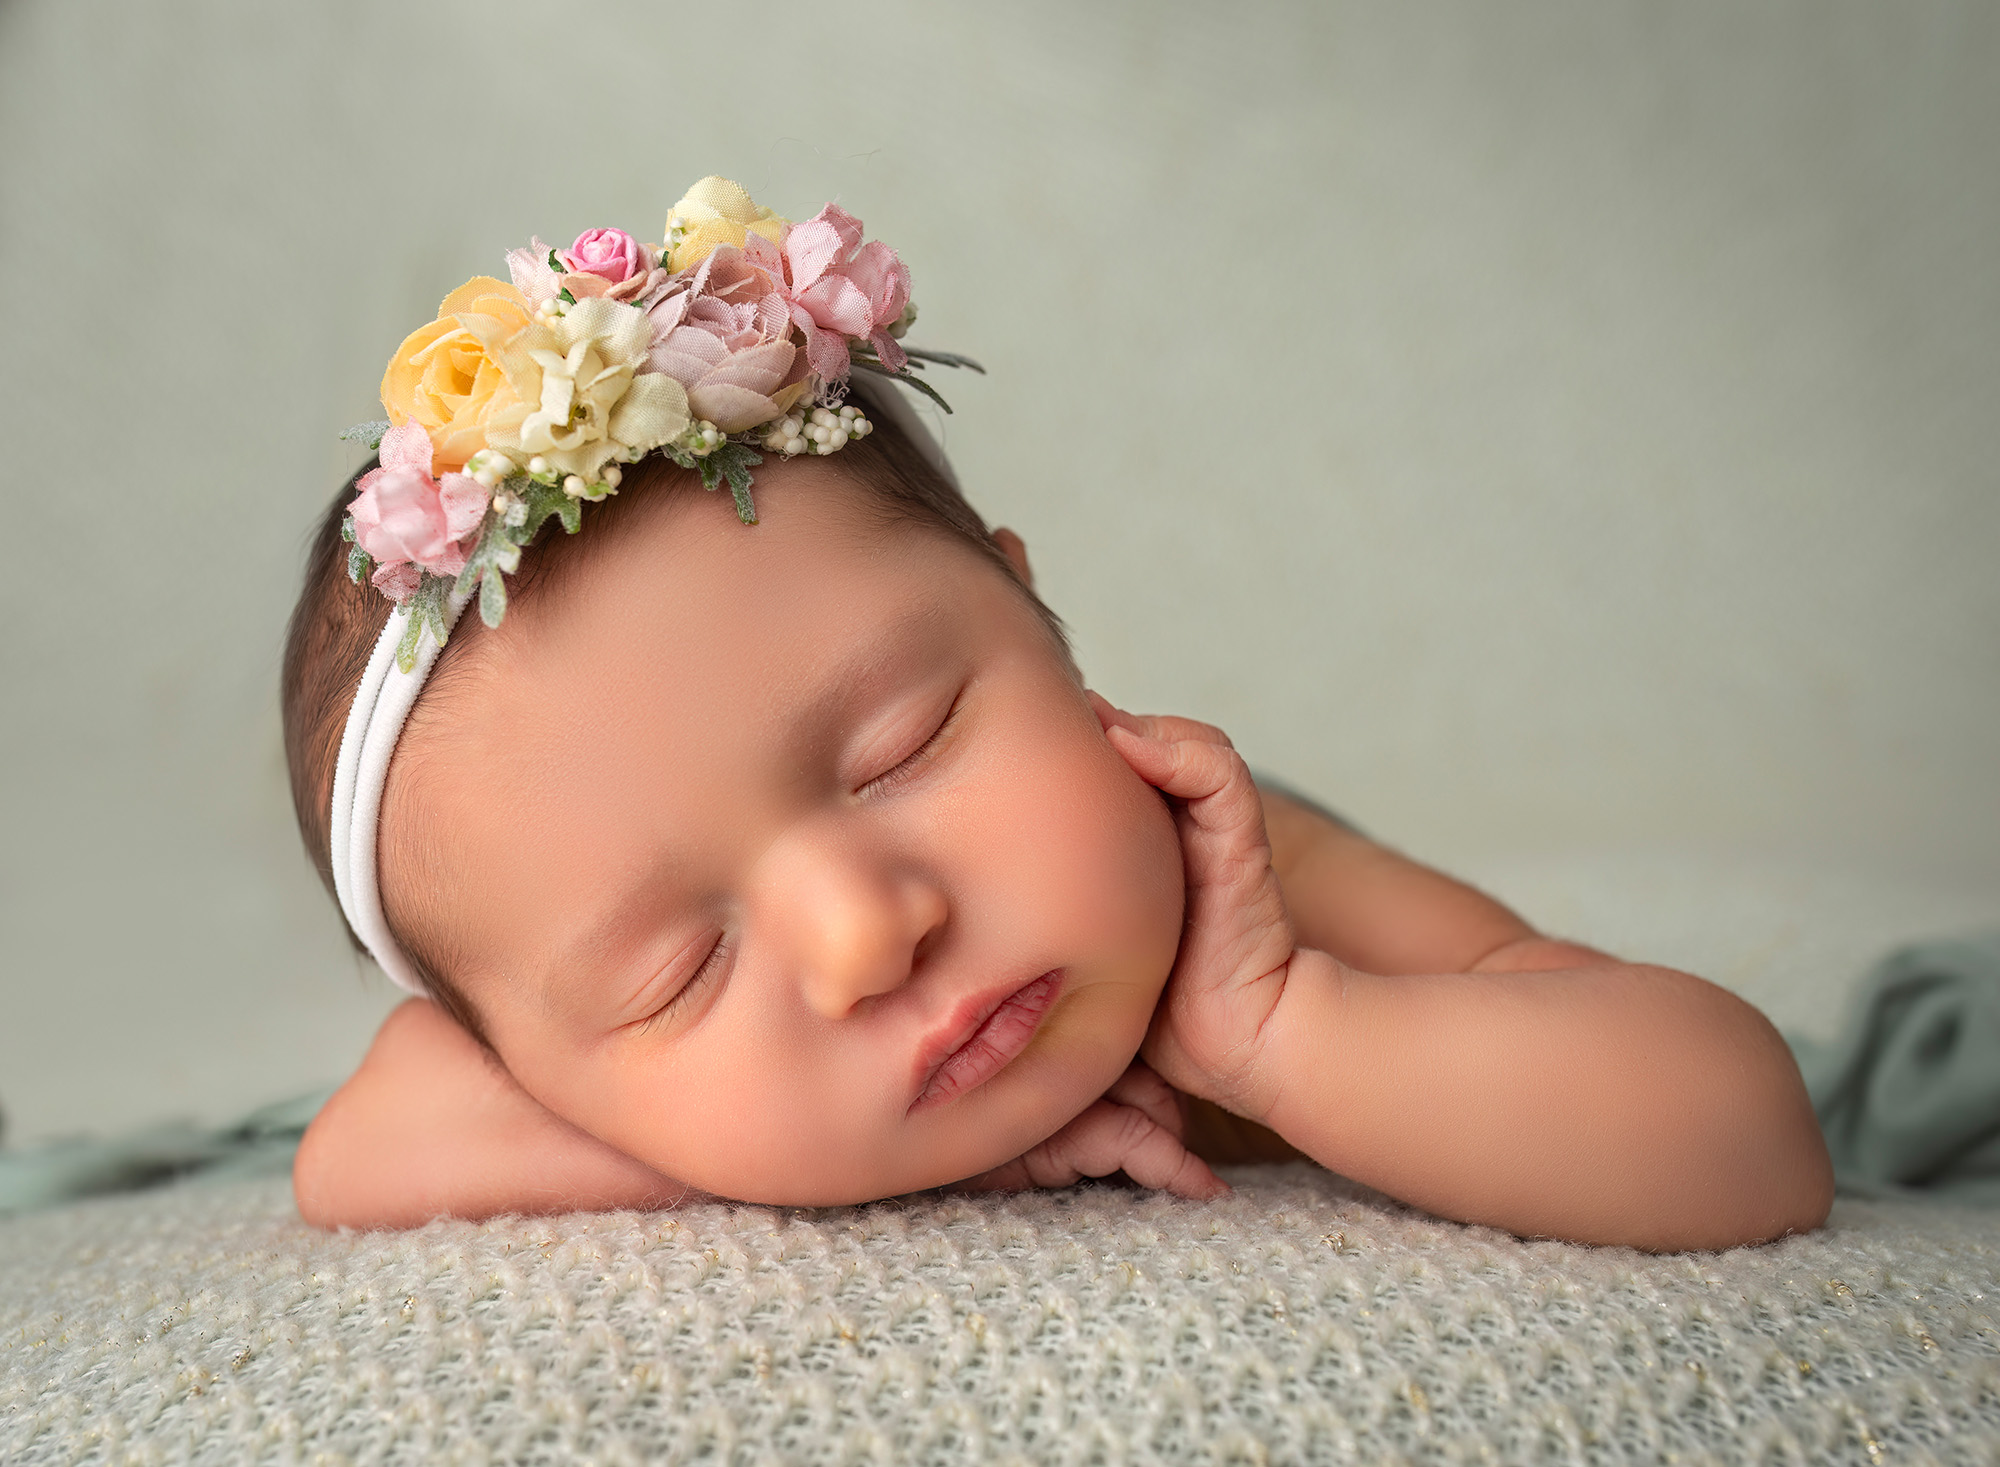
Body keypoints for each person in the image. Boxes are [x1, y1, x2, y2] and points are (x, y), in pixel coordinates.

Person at [283, 178, 1834, 1252]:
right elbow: (356, 1151)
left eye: (903, 750)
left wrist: (1287, 1037)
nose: (867, 932)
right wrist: (782, 1154)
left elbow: (1742, 1129)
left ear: (1033, 618)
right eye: (682, 971)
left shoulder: (1240, 882)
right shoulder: (556, 1053)